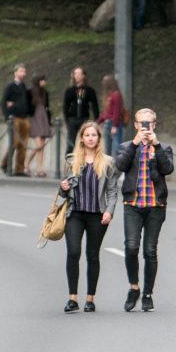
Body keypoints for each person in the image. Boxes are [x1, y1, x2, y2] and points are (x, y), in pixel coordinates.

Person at [112, 108, 174, 312]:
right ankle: (134, 287)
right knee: (131, 247)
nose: (145, 127)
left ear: (154, 125)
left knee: (150, 250)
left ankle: (148, 293)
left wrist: (155, 145)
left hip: (156, 206)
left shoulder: (163, 147)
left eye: (149, 123)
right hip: (133, 204)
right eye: (141, 123)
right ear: (136, 125)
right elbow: (120, 165)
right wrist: (135, 143)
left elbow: (168, 169)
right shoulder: (126, 146)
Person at [58, 121, 118, 313]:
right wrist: (63, 187)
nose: (91, 138)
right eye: (87, 135)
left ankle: (90, 299)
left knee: (93, 255)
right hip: (74, 213)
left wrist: (109, 211)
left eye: (94, 135)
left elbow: (112, 191)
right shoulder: (71, 161)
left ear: (99, 139)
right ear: (82, 139)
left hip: (97, 215)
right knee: (73, 252)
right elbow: (63, 191)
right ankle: (72, 298)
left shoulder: (108, 162)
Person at [0, 63, 32, 176]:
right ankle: (5, 164)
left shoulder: (23, 86)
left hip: (24, 118)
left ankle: (19, 169)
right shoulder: (10, 86)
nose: (23, 73)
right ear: (16, 72)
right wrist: (7, 116)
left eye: (24, 71)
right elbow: (4, 102)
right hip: (14, 118)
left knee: (23, 145)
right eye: (21, 71)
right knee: (14, 142)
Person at [62, 66, 99, 156]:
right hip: (73, 119)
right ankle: (69, 164)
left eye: (79, 74)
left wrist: (96, 119)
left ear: (83, 76)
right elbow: (65, 106)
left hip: (84, 119)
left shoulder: (89, 90)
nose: (77, 76)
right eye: (75, 74)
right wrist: (67, 120)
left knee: (86, 142)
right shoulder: (69, 91)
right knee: (71, 143)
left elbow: (94, 105)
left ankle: (87, 163)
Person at [25, 74, 51, 177]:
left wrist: (49, 122)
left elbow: (48, 107)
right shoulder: (30, 92)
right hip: (34, 118)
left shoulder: (45, 93)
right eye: (43, 80)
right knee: (39, 145)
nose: (45, 82)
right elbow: (27, 107)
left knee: (42, 146)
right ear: (38, 81)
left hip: (43, 118)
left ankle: (39, 169)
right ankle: (26, 163)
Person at [96, 74, 125, 155]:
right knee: (107, 148)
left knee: (116, 147)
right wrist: (97, 122)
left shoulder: (116, 95)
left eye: (105, 81)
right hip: (107, 123)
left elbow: (117, 111)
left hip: (114, 123)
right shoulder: (107, 96)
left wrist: (115, 126)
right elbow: (106, 113)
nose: (103, 83)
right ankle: (108, 166)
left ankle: (117, 166)